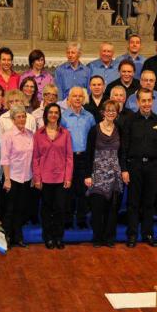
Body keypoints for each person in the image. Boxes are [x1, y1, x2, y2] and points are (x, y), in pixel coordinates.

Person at [121, 88, 157, 248]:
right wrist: (124, 169)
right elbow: (124, 147)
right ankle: (132, 235)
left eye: (149, 100)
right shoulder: (130, 121)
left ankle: (148, 234)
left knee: (149, 203)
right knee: (133, 203)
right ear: (138, 102)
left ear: (152, 101)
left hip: (153, 167)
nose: (147, 104)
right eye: (143, 100)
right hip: (134, 166)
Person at [33, 104, 73, 249]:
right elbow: (35, 158)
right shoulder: (38, 134)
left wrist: (68, 177)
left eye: (56, 113)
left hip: (61, 178)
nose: (53, 115)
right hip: (45, 179)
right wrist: (37, 178)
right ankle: (48, 237)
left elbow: (69, 157)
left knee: (60, 209)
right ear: (46, 114)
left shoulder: (65, 133)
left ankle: (58, 237)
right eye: (51, 112)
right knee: (46, 210)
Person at [85, 100, 123, 247]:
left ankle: (109, 238)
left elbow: (122, 151)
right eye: (108, 110)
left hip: (114, 173)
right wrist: (88, 175)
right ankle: (97, 238)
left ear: (117, 113)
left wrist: (123, 171)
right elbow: (89, 153)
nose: (111, 113)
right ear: (103, 112)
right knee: (97, 209)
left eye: (114, 110)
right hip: (97, 173)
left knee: (112, 209)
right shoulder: (94, 130)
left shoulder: (120, 128)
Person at [61, 87, 96, 229]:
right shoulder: (63, 117)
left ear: (84, 99)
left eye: (80, 96)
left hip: (84, 158)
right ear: (69, 99)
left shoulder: (89, 116)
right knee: (67, 191)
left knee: (83, 191)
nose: (77, 99)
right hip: (68, 158)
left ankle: (82, 219)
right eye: (74, 96)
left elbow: (93, 137)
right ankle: (67, 220)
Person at [1, 105, 34, 248]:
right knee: (9, 210)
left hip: (26, 177)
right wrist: (7, 179)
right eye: (19, 117)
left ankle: (18, 237)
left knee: (21, 209)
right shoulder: (8, 135)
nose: (22, 119)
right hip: (12, 178)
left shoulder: (30, 134)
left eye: (24, 116)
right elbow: (5, 158)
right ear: (13, 119)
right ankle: (6, 237)